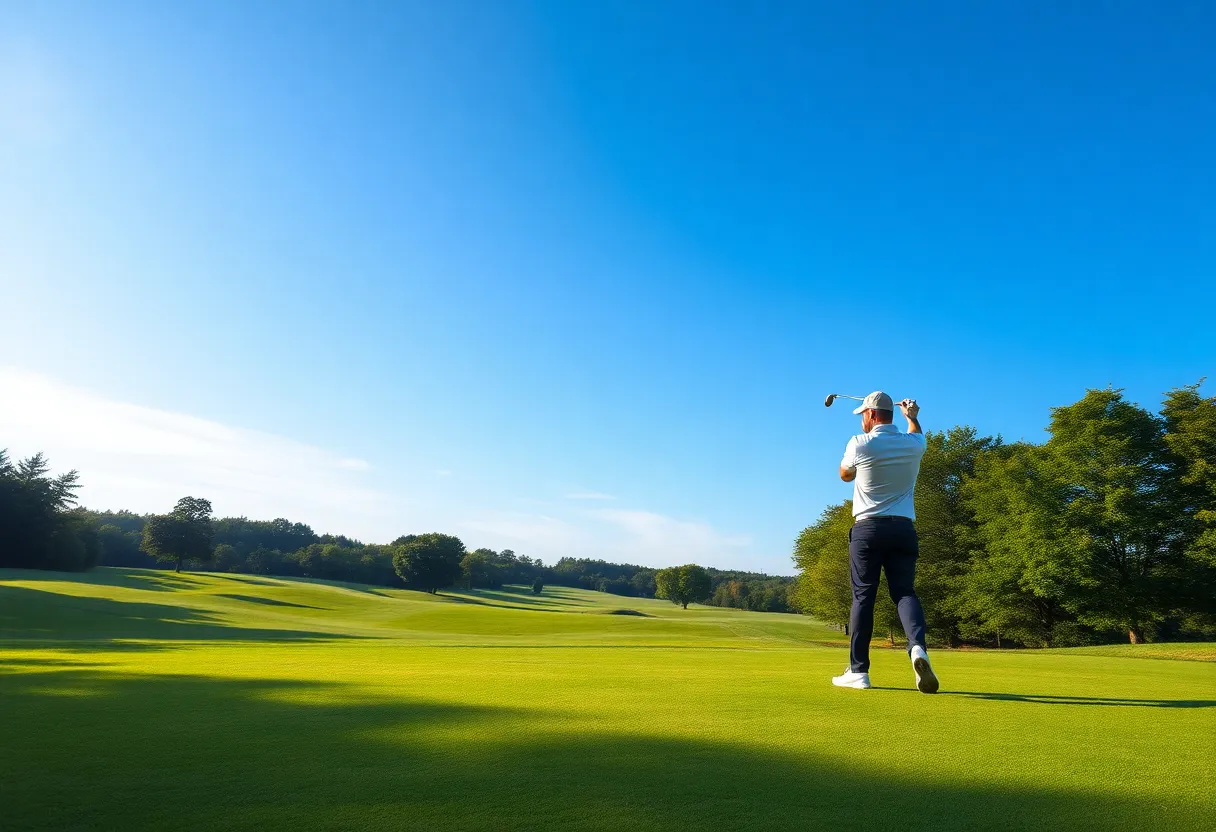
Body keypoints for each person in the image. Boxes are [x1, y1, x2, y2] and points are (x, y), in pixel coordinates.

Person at [831, 391, 939, 693]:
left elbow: (844, 475)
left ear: (872, 415)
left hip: (868, 531)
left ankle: (858, 672)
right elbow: (917, 433)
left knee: (863, 597)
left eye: (864, 414)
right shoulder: (914, 444)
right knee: (905, 593)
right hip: (903, 530)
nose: (863, 420)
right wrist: (913, 418)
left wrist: (856, 467)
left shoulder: (860, 442)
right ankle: (917, 648)